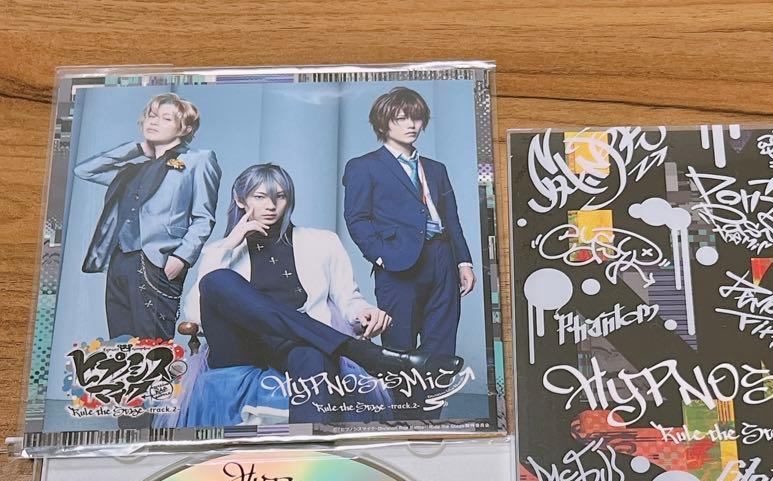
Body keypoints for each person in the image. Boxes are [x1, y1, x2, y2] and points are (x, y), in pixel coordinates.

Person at [182, 163, 458, 424]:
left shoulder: (322, 242)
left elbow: (348, 298)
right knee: (217, 280)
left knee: (316, 357)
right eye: (260, 197)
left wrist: (363, 311)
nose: (271, 206)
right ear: (241, 200)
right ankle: (363, 353)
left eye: (280, 196)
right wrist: (229, 244)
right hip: (238, 347)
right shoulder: (221, 251)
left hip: (295, 342)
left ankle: (312, 447)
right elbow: (195, 314)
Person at [75, 92, 221, 342]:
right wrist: (136, 149)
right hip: (119, 260)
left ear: (185, 128)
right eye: (151, 116)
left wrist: (181, 258)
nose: (154, 121)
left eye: (166, 118)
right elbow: (84, 170)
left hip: (158, 261)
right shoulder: (132, 169)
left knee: (154, 345)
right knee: (120, 344)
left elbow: (203, 217)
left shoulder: (198, 160)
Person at [343, 86, 475, 360]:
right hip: (398, 264)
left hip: (442, 259)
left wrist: (464, 262)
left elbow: (451, 219)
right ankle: (403, 392)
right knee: (398, 348)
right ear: (383, 123)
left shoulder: (437, 169)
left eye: (416, 118)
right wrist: (380, 256)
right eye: (401, 118)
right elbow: (356, 218)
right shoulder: (363, 166)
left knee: (441, 346)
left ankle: (434, 391)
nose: (411, 125)